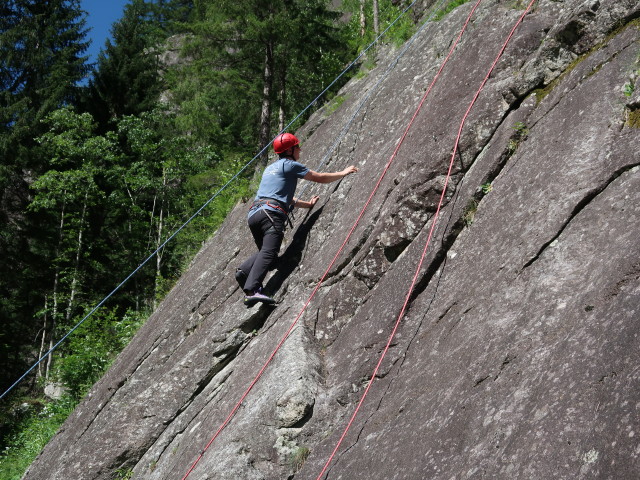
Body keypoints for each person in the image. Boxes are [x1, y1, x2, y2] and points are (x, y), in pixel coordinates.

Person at [237, 133, 358, 307]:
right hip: (271, 214)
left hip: (255, 215)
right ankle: (252, 290)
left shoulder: (270, 169)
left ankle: (244, 271)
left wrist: (308, 204)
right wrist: (343, 172)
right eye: (297, 146)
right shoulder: (290, 165)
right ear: (290, 149)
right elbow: (319, 177)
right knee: (269, 252)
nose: (300, 149)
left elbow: (282, 197)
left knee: (268, 253)